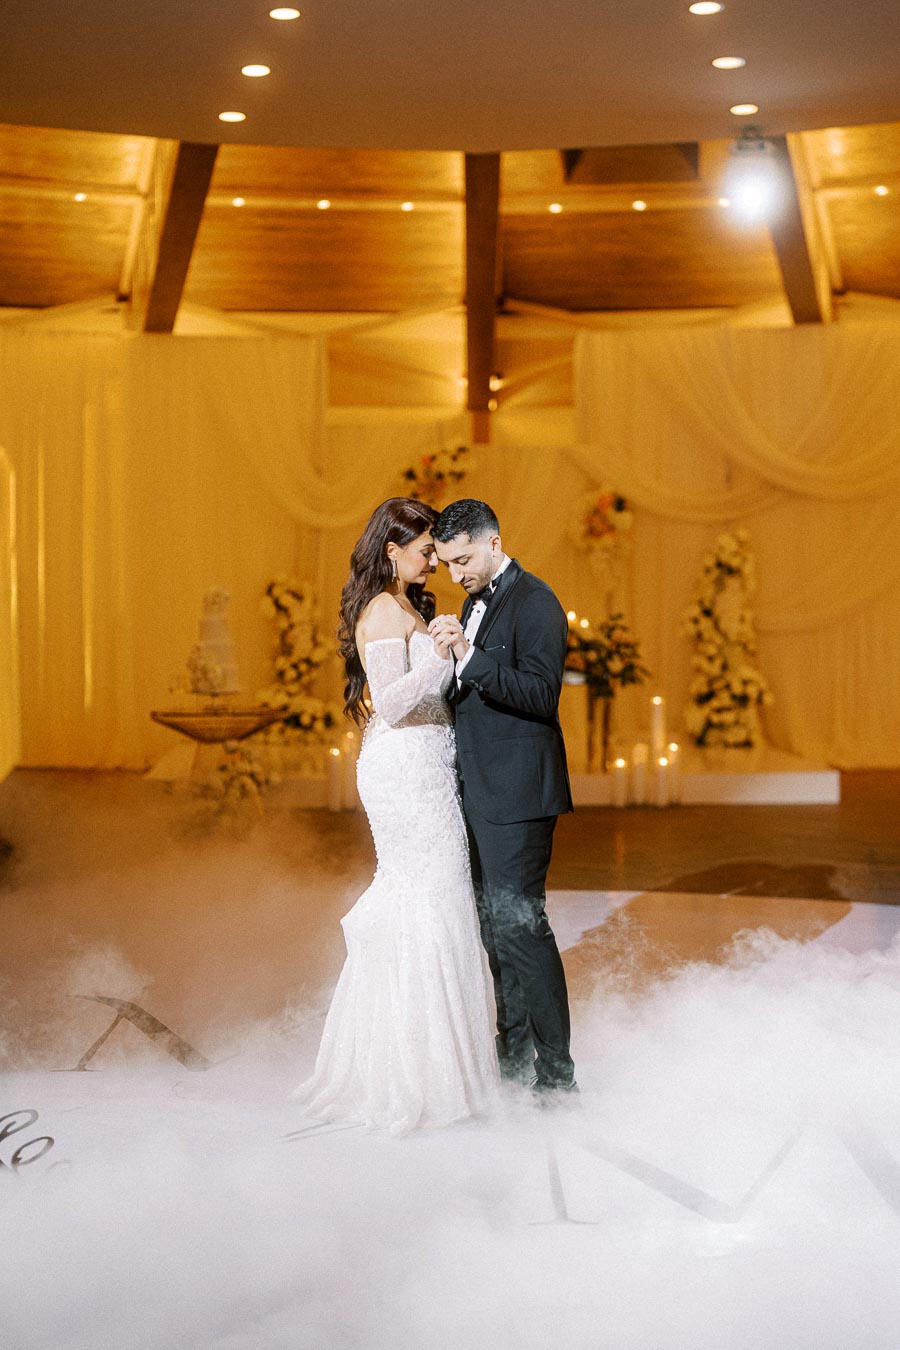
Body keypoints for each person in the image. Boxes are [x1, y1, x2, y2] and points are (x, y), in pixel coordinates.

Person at [290, 497, 498, 1134]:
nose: (434, 561)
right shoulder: (383, 609)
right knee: (426, 899)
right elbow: (391, 703)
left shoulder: (407, 605)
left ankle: (440, 1069)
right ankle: (414, 1076)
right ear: (392, 550)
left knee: (439, 899)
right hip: (405, 772)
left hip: (427, 769)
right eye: (426, 550)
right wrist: (441, 655)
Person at [429, 499, 577, 1096]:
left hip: (519, 797)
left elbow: (541, 694)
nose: (455, 574)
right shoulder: (473, 600)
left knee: (523, 929)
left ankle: (558, 1079)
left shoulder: (536, 601)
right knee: (497, 932)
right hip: (483, 792)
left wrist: (468, 657)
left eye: (463, 560)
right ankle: (513, 1062)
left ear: (494, 542)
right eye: (446, 563)